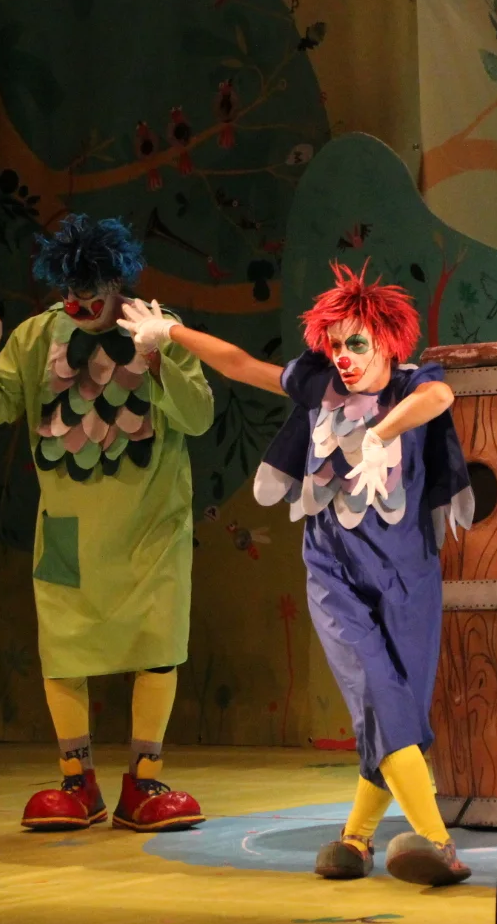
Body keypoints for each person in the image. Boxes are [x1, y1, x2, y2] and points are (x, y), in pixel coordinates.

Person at [121, 260, 475, 887]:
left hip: (410, 576)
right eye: (335, 345)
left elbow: (438, 399)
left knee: (400, 709)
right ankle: (438, 843)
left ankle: (356, 839)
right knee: (376, 691)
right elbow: (240, 364)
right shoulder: (318, 386)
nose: (343, 357)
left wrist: (381, 433)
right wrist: (170, 333)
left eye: (356, 344)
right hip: (334, 569)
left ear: (387, 340)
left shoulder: (416, 384)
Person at [0, 215, 214, 832]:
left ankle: (144, 781)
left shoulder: (159, 327)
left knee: (157, 645)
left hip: (151, 528)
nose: (78, 304)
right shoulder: (35, 336)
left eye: (90, 293)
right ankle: (77, 783)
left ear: (116, 283)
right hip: (68, 531)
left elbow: (198, 416)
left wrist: (157, 356)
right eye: (70, 292)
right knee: (64, 649)